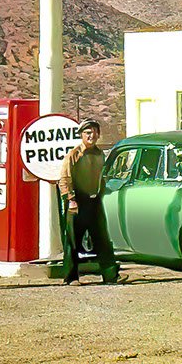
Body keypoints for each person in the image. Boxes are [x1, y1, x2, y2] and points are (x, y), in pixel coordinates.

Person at [58, 118, 125, 285]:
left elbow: (103, 177)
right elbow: (64, 179)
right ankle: (71, 277)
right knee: (73, 241)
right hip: (77, 202)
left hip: (95, 201)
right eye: (88, 133)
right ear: (81, 135)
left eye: (94, 133)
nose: (91, 136)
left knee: (102, 238)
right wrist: (71, 199)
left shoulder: (100, 154)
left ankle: (110, 275)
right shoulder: (73, 155)